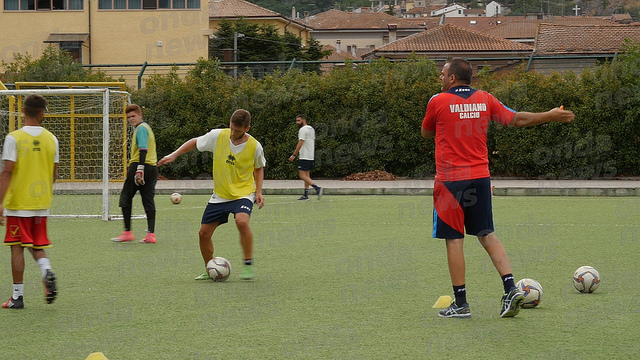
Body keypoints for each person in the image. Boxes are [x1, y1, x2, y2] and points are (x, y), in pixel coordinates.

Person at [421, 58, 574, 318]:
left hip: (449, 182)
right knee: (487, 234)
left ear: (452, 78)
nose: (440, 77)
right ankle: (510, 287)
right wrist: (550, 115)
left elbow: (426, 133)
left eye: (443, 73)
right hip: (480, 178)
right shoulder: (486, 99)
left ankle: (461, 304)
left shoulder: (437, 101)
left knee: (454, 241)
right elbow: (517, 119)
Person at [158, 109, 265, 280]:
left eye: (238, 130)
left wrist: (258, 191)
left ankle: (248, 264)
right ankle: (210, 268)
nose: (233, 133)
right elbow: (194, 142)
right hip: (221, 195)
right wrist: (174, 155)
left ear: (247, 129)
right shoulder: (218, 136)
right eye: (232, 128)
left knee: (242, 221)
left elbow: (259, 168)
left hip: (243, 193)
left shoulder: (255, 146)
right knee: (203, 233)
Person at [0, 94, 58, 309]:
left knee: (17, 246)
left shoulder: (13, 138)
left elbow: (7, 172)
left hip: (18, 203)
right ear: (43, 113)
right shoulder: (52, 139)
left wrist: (0, 202)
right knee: (36, 243)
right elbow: (53, 174)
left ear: (23, 111)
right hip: (41, 203)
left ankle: (17, 297)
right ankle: (46, 271)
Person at [111, 104, 158, 244]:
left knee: (125, 197)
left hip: (139, 165)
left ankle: (127, 232)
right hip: (152, 167)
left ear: (140, 115)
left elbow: (143, 149)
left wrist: (140, 169)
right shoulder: (147, 128)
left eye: (133, 116)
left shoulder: (141, 128)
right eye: (128, 117)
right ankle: (151, 235)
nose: (131, 119)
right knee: (148, 199)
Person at [288, 115, 322, 200]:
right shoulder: (311, 129)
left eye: (299, 121)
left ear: (304, 120)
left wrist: (294, 155)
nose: (297, 123)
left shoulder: (302, 130)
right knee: (307, 175)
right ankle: (306, 195)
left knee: (302, 176)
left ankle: (317, 188)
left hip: (304, 155)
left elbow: (300, 142)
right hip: (310, 155)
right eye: (296, 121)